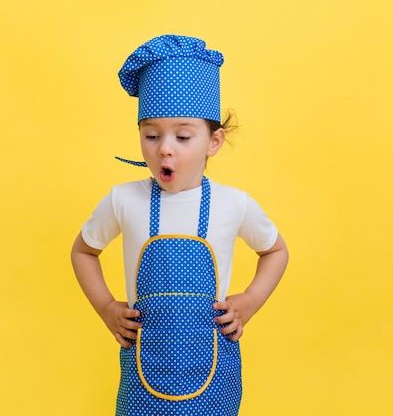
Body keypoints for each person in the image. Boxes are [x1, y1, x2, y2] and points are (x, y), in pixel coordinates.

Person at [71, 34, 288, 416]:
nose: (164, 148)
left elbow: (275, 250)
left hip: (215, 371)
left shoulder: (233, 203)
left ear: (214, 141)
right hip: (143, 372)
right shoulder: (123, 200)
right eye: (151, 135)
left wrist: (248, 302)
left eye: (183, 136)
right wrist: (106, 307)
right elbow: (83, 251)